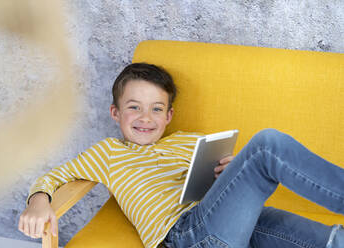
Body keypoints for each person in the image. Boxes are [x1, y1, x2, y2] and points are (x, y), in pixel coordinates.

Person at [19, 63, 344, 248]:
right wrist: (38, 202)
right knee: (266, 145)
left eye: (156, 109)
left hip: (229, 226)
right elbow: (52, 177)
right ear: (115, 113)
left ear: (169, 116)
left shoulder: (190, 141)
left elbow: (221, 194)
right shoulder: (107, 152)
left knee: (332, 240)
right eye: (134, 108)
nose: (146, 118)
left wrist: (229, 175)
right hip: (186, 237)